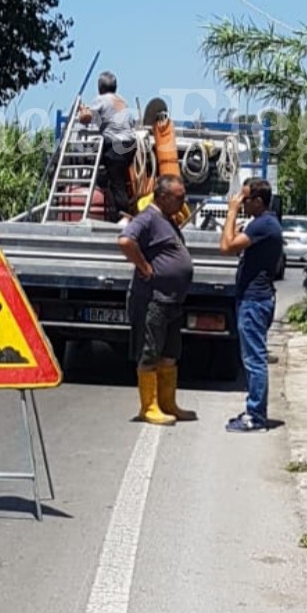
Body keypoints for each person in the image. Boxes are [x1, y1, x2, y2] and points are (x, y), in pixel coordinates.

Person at [117, 174, 197, 425]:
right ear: (162, 197)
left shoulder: (167, 220)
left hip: (172, 300)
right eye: (179, 197)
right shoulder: (148, 217)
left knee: (170, 353)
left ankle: (167, 403)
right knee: (149, 351)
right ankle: (148, 407)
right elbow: (125, 240)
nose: (183, 202)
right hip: (153, 299)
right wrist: (144, 266)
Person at [219, 177, 284, 432]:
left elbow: (226, 246)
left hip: (255, 301)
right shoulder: (262, 224)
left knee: (254, 359)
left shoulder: (264, 225)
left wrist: (231, 212)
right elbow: (236, 246)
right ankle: (254, 410)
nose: (241, 203)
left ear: (258, 201)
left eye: (245, 199)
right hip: (255, 299)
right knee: (252, 357)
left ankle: (256, 416)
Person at [78, 71, 137, 223]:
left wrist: (82, 111)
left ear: (100, 87)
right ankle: (118, 209)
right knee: (119, 179)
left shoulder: (101, 100)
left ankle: (124, 217)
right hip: (130, 144)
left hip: (116, 145)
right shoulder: (122, 101)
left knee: (117, 182)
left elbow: (86, 118)